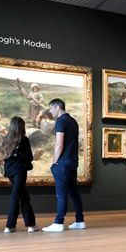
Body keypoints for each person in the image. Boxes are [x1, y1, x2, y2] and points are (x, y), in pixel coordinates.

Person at [43, 98, 85, 232]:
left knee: (61, 194)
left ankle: (58, 222)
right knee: (74, 193)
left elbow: (59, 143)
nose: (50, 111)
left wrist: (55, 162)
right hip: (73, 162)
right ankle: (79, 220)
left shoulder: (60, 121)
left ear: (57, 107)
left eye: (51, 108)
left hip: (63, 163)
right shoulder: (73, 121)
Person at [0, 116, 37, 233]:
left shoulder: (6, 139)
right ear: (21, 126)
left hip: (10, 171)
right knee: (16, 197)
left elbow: (5, 157)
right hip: (20, 171)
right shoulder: (23, 139)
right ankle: (10, 225)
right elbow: (30, 157)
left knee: (23, 196)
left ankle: (31, 224)